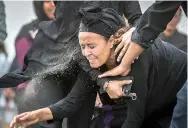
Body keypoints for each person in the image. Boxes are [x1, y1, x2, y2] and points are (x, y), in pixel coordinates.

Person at [10, 6, 187, 128]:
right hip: (154, 103)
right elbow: (72, 102)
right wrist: (36, 115)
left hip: (180, 93)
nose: (86, 53)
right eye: (82, 46)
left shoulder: (136, 55)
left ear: (112, 41)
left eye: (91, 46)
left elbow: (135, 118)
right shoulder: (92, 61)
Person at [1, 1, 143, 128]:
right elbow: (76, 48)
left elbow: (140, 23)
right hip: (55, 69)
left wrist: (131, 35)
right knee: (52, 122)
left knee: (80, 122)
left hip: (91, 66)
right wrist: (104, 82)